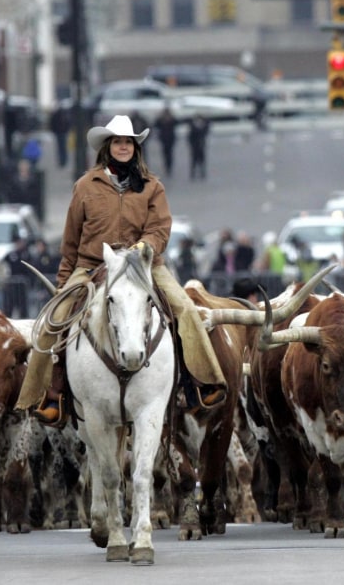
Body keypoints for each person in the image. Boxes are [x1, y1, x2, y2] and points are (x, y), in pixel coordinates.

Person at [16, 115, 228, 427]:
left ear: (135, 148)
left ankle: (197, 383)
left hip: (145, 264)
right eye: (118, 141)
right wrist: (64, 284)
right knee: (54, 320)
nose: (123, 146)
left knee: (184, 308)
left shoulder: (152, 187)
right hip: (91, 265)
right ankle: (49, 394)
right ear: (107, 146)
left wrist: (145, 246)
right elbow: (71, 241)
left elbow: (160, 229)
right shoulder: (85, 186)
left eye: (128, 142)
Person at [154, 107, 178, 177]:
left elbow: (176, 122)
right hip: (164, 139)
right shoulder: (161, 120)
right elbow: (156, 124)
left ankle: (169, 167)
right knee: (165, 153)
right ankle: (167, 167)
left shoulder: (172, 120)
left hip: (170, 139)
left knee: (170, 154)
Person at [188, 113, 210, 181]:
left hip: (200, 145)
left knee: (201, 160)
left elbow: (208, 125)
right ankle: (193, 173)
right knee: (194, 160)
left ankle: (201, 172)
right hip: (195, 145)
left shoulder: (202, 127)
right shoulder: (193, 127)